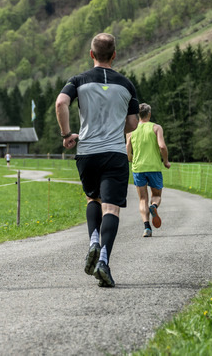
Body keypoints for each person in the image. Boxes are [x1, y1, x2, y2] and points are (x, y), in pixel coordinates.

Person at [55, 33, 139, 288]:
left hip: (87, 152)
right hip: (114, 153)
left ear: (91, 54)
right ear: (114, 55)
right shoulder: (126, 85)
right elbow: (133, 124)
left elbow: (61, 103)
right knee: (111, 208)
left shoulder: (78, 81)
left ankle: (93, 239)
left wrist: (67, 134)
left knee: (93, 198)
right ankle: (103, 260)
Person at [126, 103, 170, 237]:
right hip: (154, 167)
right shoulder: (156, 128)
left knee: (142, 199)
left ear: (138, 115)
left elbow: (127, 148)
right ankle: (154, 207)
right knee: (156, 195)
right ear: (149, 114)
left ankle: (147, 228)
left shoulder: (131, 130)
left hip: (138, 168)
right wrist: (166, 161)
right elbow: (162, 146)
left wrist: (131, 159)